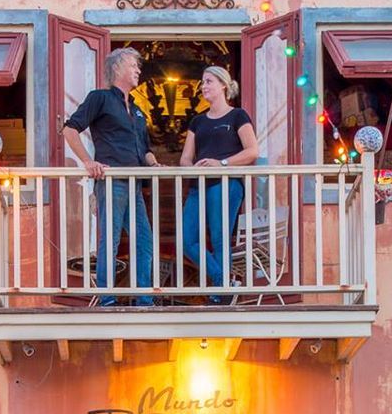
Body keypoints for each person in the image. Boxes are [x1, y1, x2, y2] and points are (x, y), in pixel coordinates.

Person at [62, 47, 158, 307]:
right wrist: (88, 161)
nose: (138, 70)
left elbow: (145, 149)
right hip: (112, 180)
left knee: (144, 240)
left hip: (134, 183)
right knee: (111, 238)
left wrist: (155, 164)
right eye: (133, 65)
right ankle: (107, 298)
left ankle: (144, 298)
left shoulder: (138, 110)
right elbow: (70, 130)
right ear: (117, 68)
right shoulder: (100, 98)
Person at [177, 65, 258, 305]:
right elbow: (184, 157)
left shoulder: (237, 116)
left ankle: (220, 292)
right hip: (198, 185)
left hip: (226, 183)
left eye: (209, 81)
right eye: (203, 82)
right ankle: (224, 281)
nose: (204, 86)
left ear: (223, 85)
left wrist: (221, 163)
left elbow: (252, 151)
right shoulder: (198, 121)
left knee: (220, 238)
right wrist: (192, 170)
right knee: (186, 240)